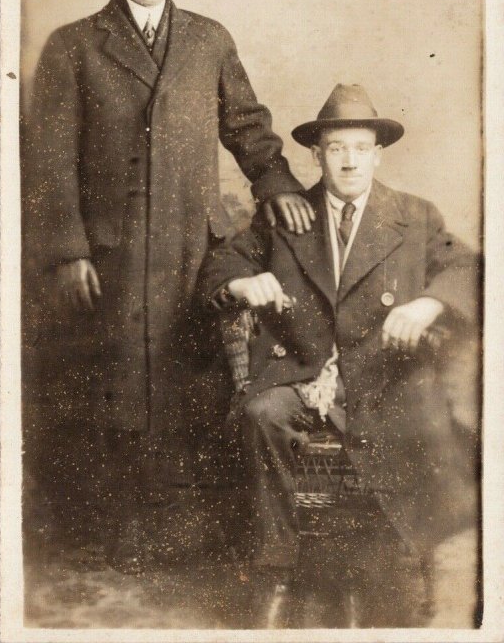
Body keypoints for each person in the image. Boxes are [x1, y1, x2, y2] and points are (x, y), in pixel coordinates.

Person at [25, 0, 314, 564]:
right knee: (123, 382)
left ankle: (192, 526)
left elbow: (247, 127)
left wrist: (275, 183)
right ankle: (124, 524)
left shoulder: (209, 39)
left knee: (198, 376)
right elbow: (49, 163)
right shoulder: (74, 47)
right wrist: (68, 252)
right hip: (114, 250)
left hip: (194, 242)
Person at [198, 83, 480, 627]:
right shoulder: (284, 216)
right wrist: (242, 285)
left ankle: (398, 562)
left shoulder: (414, 217)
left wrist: (428, 303)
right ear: (316, 155)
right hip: (301, 374)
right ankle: (278, 564)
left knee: (416, 424)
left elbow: (468, 269)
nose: (348, 160)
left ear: (377, 154)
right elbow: (219, 266)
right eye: (335, 148)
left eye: (358, 148)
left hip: (381, 377)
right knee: (260, 414)